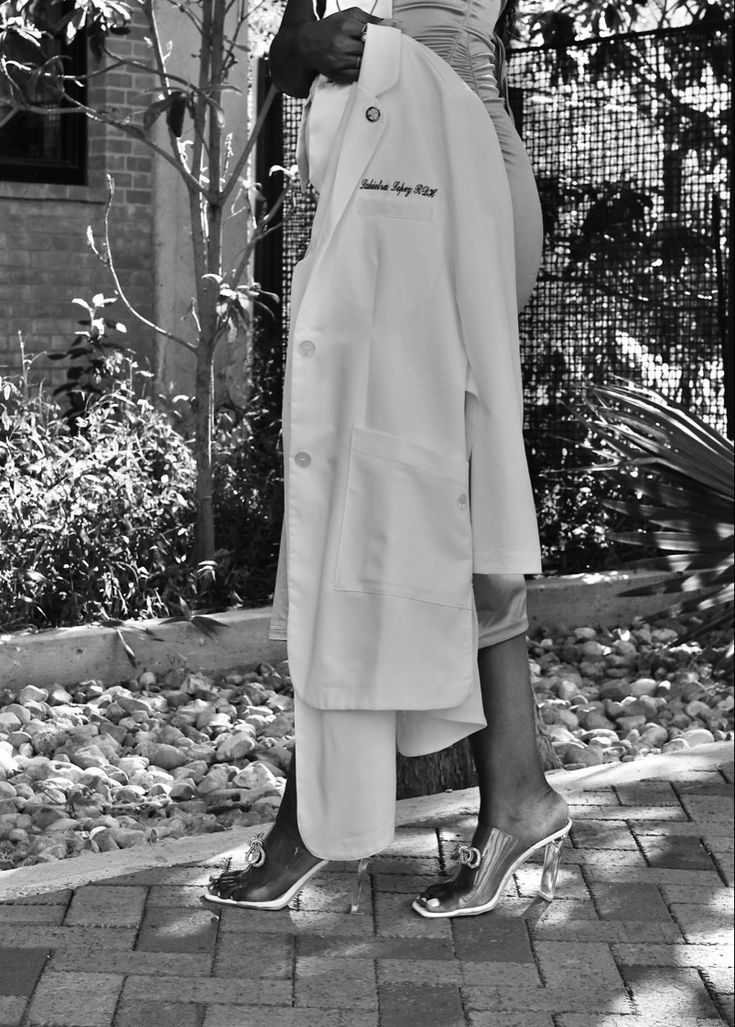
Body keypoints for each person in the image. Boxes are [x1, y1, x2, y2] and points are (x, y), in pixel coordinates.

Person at [203, 0, 570, 918]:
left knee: (408, 480)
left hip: (449, 166)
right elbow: (289, 59)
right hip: (385, 161)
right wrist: (311, 46)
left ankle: (316, 825)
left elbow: (478, 38)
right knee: (412, 480)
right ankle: (514, 795)